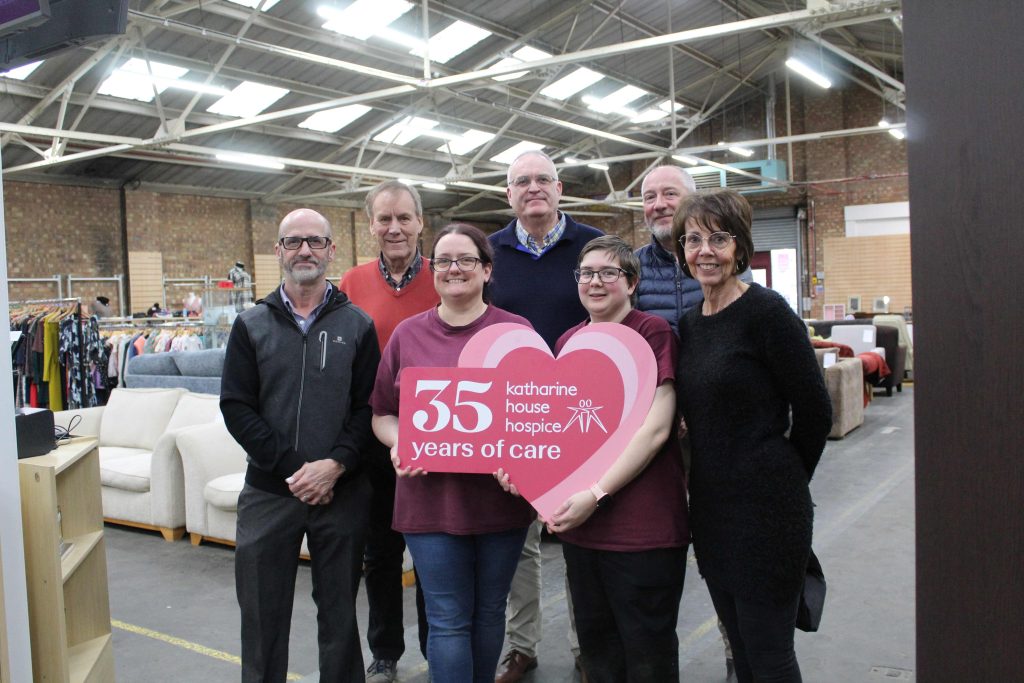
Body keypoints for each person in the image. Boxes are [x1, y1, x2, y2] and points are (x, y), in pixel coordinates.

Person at [506, 235, 688, 682]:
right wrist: (527, 474)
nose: (596, 282)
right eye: (587, 273)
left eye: (609, 273)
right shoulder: (570, 341)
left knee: (648, 655)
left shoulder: (653, 333)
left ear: (631, 282)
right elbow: (559, 432)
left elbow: (657, 428)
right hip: (585, 533)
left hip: (644, 531)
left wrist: (596, 492)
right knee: (598, 653)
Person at [672, 189, 832, 683]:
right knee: (740, 651)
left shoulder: (767, 313)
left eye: (717, 238)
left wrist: (782, 476)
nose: (704, 251)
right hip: (714, 513)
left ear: (740, 247)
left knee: (768, 654)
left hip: (767, 514)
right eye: (692, 239)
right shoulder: (691, 324)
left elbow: (815, 411)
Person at [220, 208, 381, 682]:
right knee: (262, 617)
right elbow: (236, 407)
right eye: (293, 242)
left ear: (332, 250)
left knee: (339, 618)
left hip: (342, 494)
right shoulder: (250, 325)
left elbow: (367, 408)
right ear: (278, 252)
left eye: (315, 241)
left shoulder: (358, 325)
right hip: (270, 494)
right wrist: (296, 470)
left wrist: (334, 466)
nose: (304, 250)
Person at [371, 223, 535, 682]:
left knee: (487, 614)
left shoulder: (516, 332)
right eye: (443, 260)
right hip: (429, 503)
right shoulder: (407, 335)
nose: (453, 269)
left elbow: (540, 418)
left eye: (465, 260)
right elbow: (382, 413)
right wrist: (400, 440)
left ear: (486, 270)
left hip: (501, 501)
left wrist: (525, 460)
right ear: (433, 270)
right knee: (447, 619)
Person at [488, 149, 603, 682]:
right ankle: (522, 645)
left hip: (585, 411)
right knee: (521, 542)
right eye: (521, 182)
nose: (533, 188)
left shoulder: (593, 246)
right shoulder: (490, 254)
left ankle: (589, 646)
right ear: (508, 194)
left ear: (560, 189)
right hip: (515, 412)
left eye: (543, 180)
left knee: (582, 535)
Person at [636, 162, 737, 677]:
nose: (658, 204)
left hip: (715, 432)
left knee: (721, 542)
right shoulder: (631, 268)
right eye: (649, 196)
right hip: (656, 431)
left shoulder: (716, 264)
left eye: (669, 193)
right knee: (658, 545)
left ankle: (734, 642)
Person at [338, 179, 439, 683]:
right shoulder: (351, 283)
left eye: (404, 217)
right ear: (371, 224)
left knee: (432, 555)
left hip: (437, 436)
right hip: (375, 440)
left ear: (421, 222)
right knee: (380, 554)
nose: (394, 227)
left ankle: (435, 648)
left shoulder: (444, 275)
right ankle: (385, 654)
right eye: (384, 218)